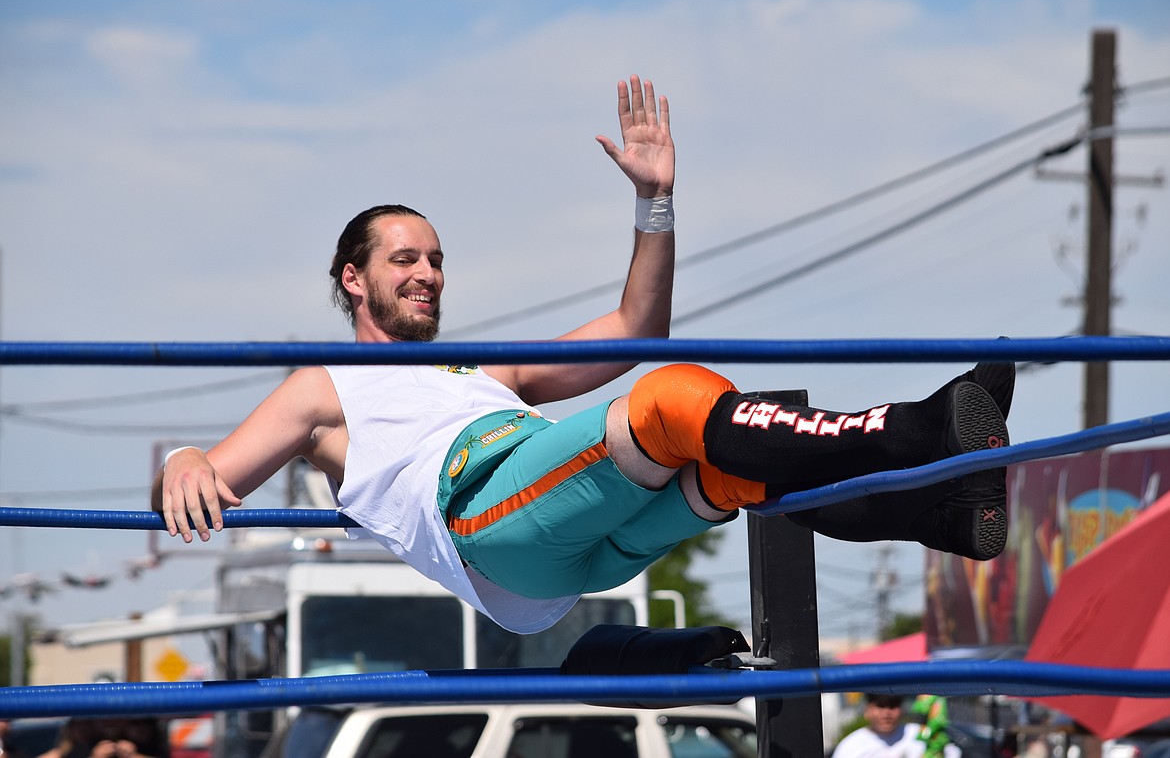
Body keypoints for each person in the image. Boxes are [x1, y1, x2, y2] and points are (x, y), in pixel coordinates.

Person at [153, 75, 1013, 634]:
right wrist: (188, 458)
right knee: (675, 399)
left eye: (438, 258)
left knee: (731, 469)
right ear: (354, 280)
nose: (428, 274)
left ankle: (942, 515)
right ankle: (920, 430)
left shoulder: (485, 370)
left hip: (568, 556)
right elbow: (214, 475)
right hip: (484, 518)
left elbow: (638, 327)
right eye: (404, 259)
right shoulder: (326, 386)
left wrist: (656, 202)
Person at [832, 694, 960, 758]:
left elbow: (952, 753)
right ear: (867, 710)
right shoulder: (851, 745)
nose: (887, 713)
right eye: (880, 706)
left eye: (892, 706)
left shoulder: (918, 733)